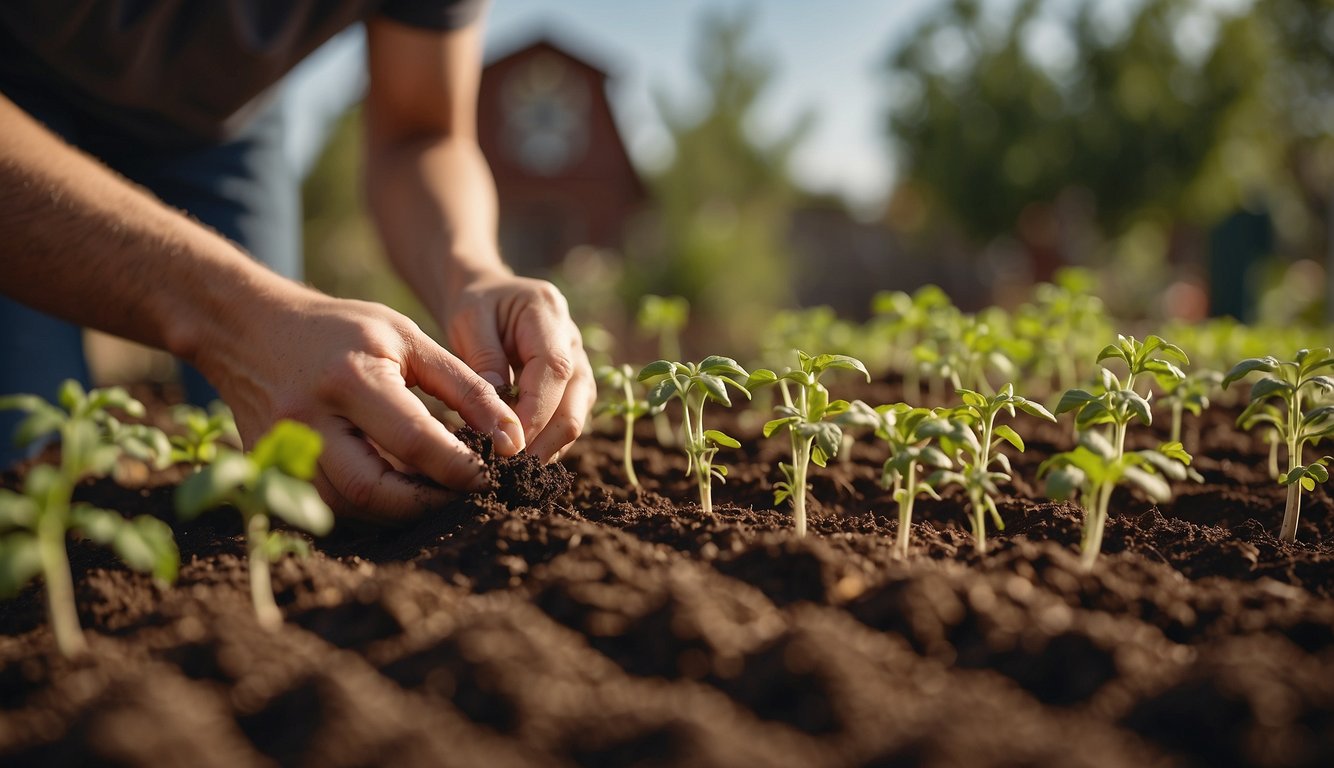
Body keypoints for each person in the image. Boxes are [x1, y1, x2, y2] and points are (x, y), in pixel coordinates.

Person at [0, 1, 597, 521]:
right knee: (37, 471)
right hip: (16, 92)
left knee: (288, 444)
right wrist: (231, 316)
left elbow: (421, 132)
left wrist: (473, 270)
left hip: (222, 114)